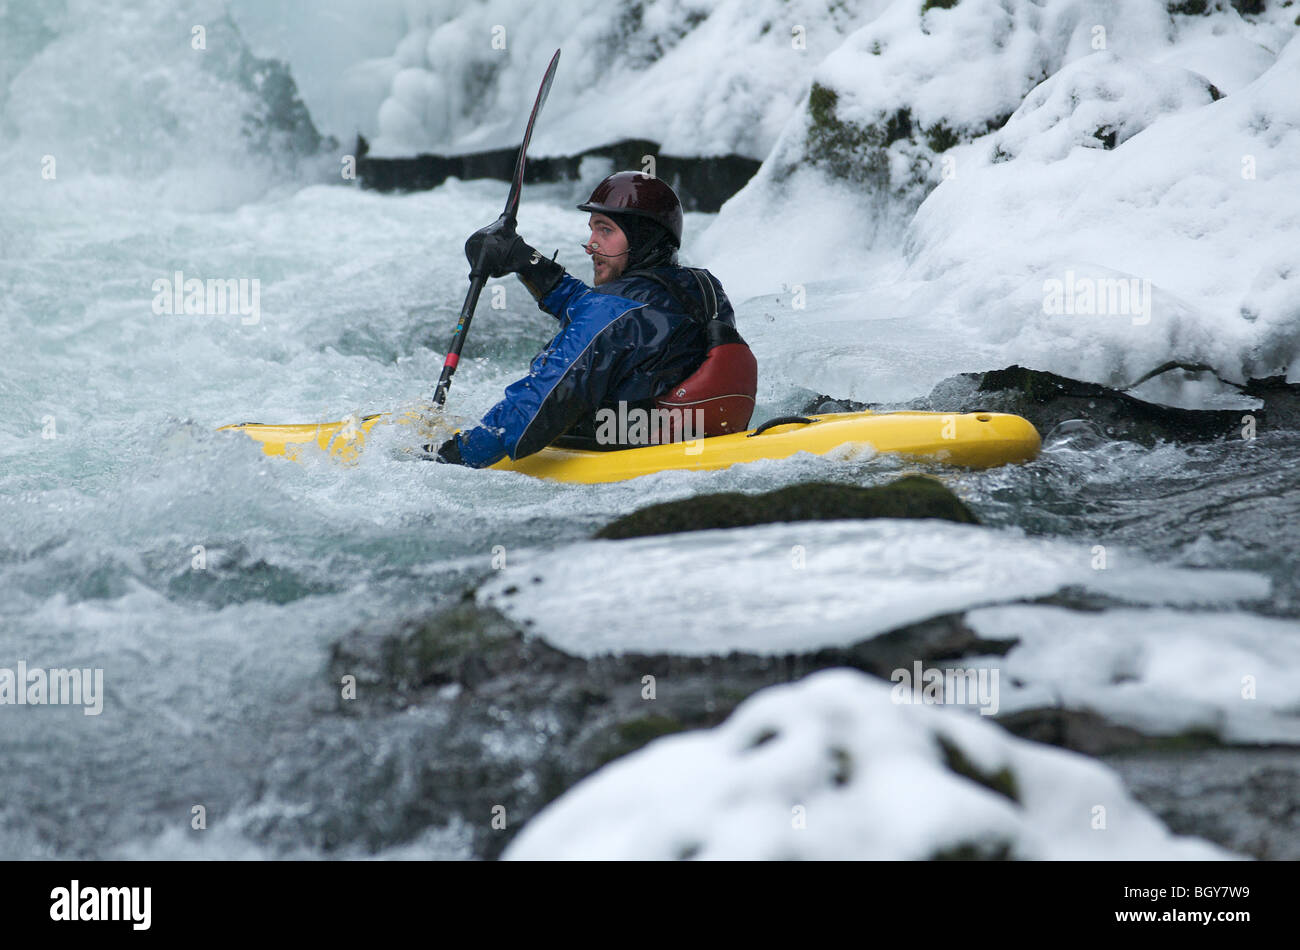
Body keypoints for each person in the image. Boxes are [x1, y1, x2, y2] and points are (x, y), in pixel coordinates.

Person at [430, 171, 757, 468]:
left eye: (605, 230)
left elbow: (537, 407)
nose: (591, 245)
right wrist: (524, 260)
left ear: (643, 237)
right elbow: (606, 313)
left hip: (619, 447)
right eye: (591, 230)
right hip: (692, 432)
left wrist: (451, 455)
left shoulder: (612, 312)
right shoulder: (701, 285)